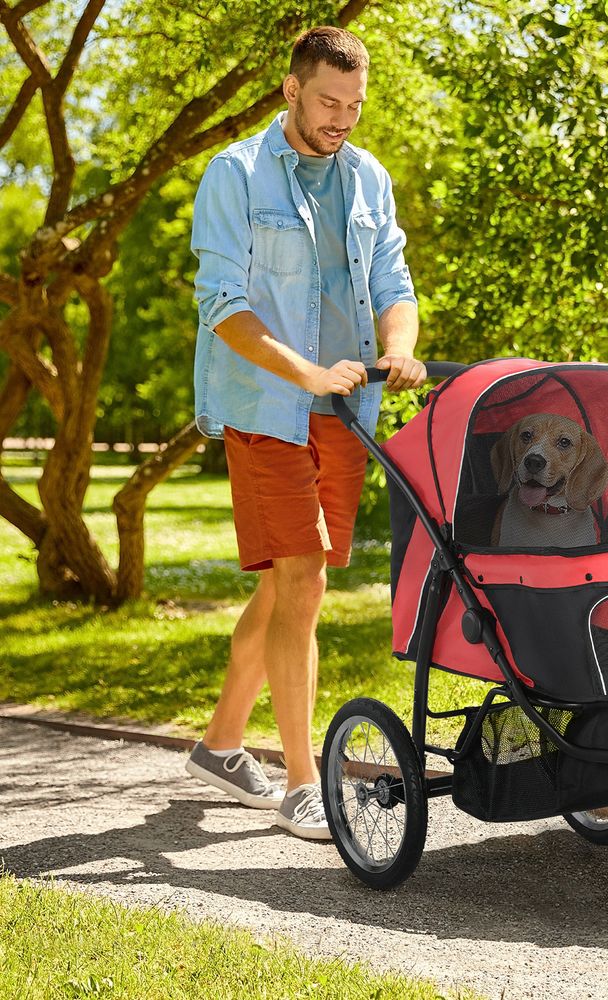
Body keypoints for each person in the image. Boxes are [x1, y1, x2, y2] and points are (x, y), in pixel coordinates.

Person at [185, 25, 426, 840]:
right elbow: (222, 305)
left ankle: (221, 746)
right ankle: (299, 781)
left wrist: (399, 350)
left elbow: (393, 278)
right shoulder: (236, 175)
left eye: (355, 106)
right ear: (291, 90)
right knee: (305, 584)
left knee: (290, 580)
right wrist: (309, 374)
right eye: (329, 102)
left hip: (345, 414)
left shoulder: (366, 179)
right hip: (267, 410)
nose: (343, 119)